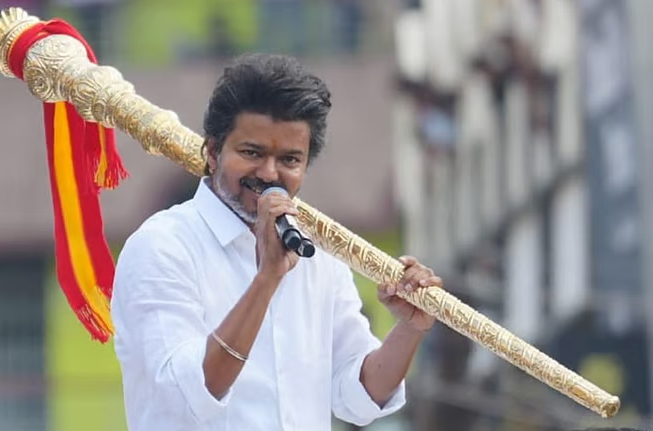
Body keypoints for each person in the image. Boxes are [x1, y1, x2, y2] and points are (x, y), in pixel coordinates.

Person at [110, 53, 443, 431]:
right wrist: (267, 277)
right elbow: (193, 392)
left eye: (289, 160)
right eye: (251, 153)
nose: (269, 173)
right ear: (214, 153)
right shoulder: (161, 247)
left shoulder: (318, 255)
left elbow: (357, 398)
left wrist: (410, 327)